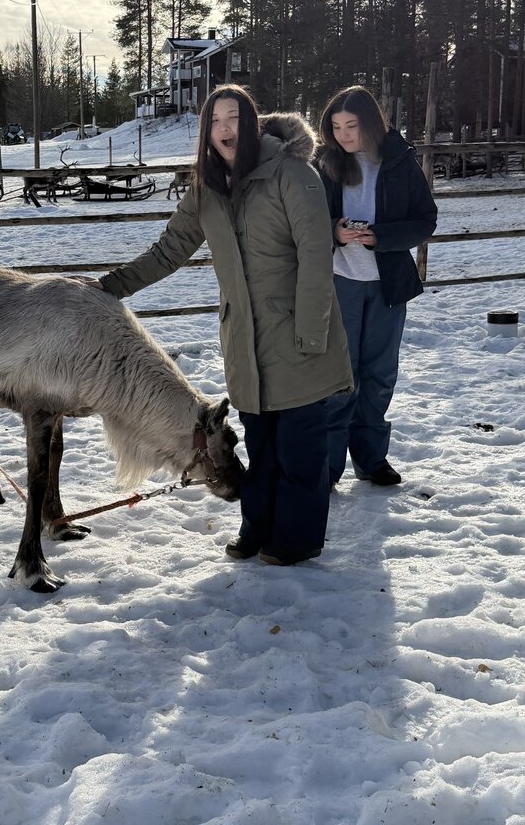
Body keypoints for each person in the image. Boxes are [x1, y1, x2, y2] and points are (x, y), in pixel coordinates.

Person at [98, 84, 353, 566]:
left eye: (233, 118)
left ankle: (296, 540)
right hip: (244, 341)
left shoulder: (292, 174)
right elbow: (168, 251)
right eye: (214, 121)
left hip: (299, 332)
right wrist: (108, 287)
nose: (224, 128)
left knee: (299, 449)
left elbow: (317, 255)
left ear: (251, 123)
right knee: (261, 446)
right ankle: (257, 529)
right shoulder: (207, 190)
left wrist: (311, 334)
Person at [315, 86, 437, 487]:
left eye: (351, 125)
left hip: (389, 285)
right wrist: (333, 230)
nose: (343, 135)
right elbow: (302, 220)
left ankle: (371, 459)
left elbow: (425, 219)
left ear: (370, 123)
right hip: (339, 282)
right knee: (340, 375)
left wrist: (381, 237)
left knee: (380, 373)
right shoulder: (323, 163)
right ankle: (328, 466)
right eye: (336, 127)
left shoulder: (400, 161)